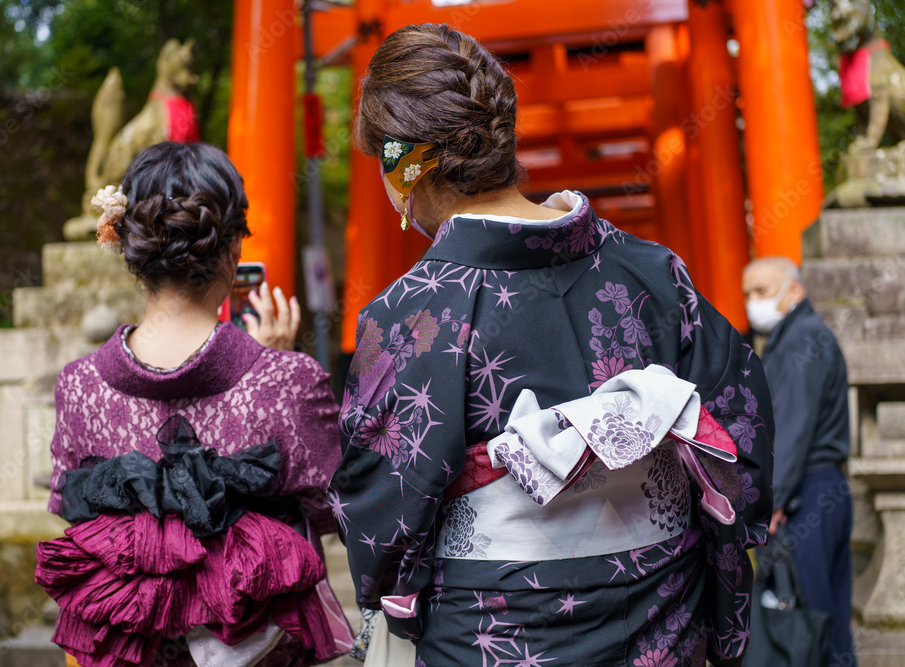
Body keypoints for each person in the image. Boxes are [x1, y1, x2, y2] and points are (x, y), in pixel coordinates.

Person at [332, 23, 774, 667]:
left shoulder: (410, 315)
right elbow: (743, 438)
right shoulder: (655, 274)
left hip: (492, 636)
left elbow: (379, 522)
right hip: (663, 622)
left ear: (405, 168)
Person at [37, 142, 351, 667]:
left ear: (126, 245)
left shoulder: (79, 386)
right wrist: (271, 366)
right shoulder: (287, 381)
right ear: (232, 249)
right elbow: (332, 512)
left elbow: (71, 511)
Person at [743, 256, 856, 667]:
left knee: (810, 619)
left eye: (762, 291)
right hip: (821, 488)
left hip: (805, 492)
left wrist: (770, 500)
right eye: (747, 293)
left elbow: (791, 428)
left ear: (794, 289)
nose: (752, 302)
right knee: (828, 617)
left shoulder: (800, 339)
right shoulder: (803, 334)